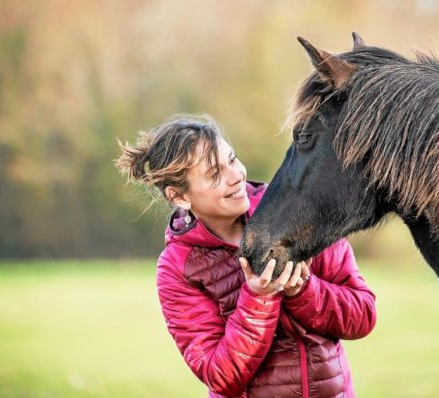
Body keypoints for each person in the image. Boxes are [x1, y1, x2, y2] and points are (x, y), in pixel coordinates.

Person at [116, 114, 377, 398]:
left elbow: (363, 315)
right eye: (215, 174)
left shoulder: (297, 212)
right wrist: (259, 298)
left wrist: (302, 290)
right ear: (179, 197)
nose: (236, 175)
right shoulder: (176, 268)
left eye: (232, 159)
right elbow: (220, 376)